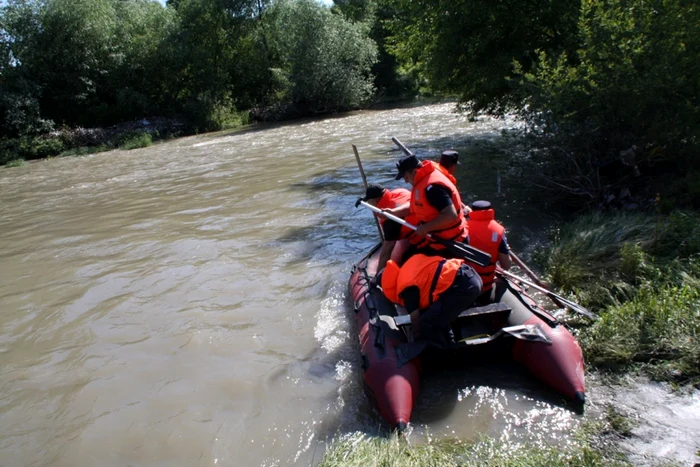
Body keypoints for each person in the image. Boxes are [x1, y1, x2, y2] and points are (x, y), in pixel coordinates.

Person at [380, 253, 483, 349]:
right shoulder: (408, 268)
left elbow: (415, 319)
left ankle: (441, 357)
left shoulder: (407, 289)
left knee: (425, 323)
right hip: (470, 275)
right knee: (436, 315)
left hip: (462, 286)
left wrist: (415, 338)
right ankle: (449, 342)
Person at [383, 155, 468, 258]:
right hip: (437, 242)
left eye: (406, 177)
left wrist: (425, 228)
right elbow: (415, 206)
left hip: (451, 244)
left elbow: (450, 215)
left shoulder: (432, 188)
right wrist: (393, 212)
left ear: (414, 172)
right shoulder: (422, 181)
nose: (405, 181)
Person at [355, 184, 411, 270]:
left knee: (406, 258)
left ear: (374, 201)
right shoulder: (399, 192)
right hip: (425, 221)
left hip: (422, 236)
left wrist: (376, 277)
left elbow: (386, 252)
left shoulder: (390, 219)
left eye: (369, 202)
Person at [466, 200, 512, 295]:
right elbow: (506, 265)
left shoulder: (463, 228)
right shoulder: (499, 231)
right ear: (491, 211)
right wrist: (507, 250)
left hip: (465, 283)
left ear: (472, 212)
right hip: (486, 286)